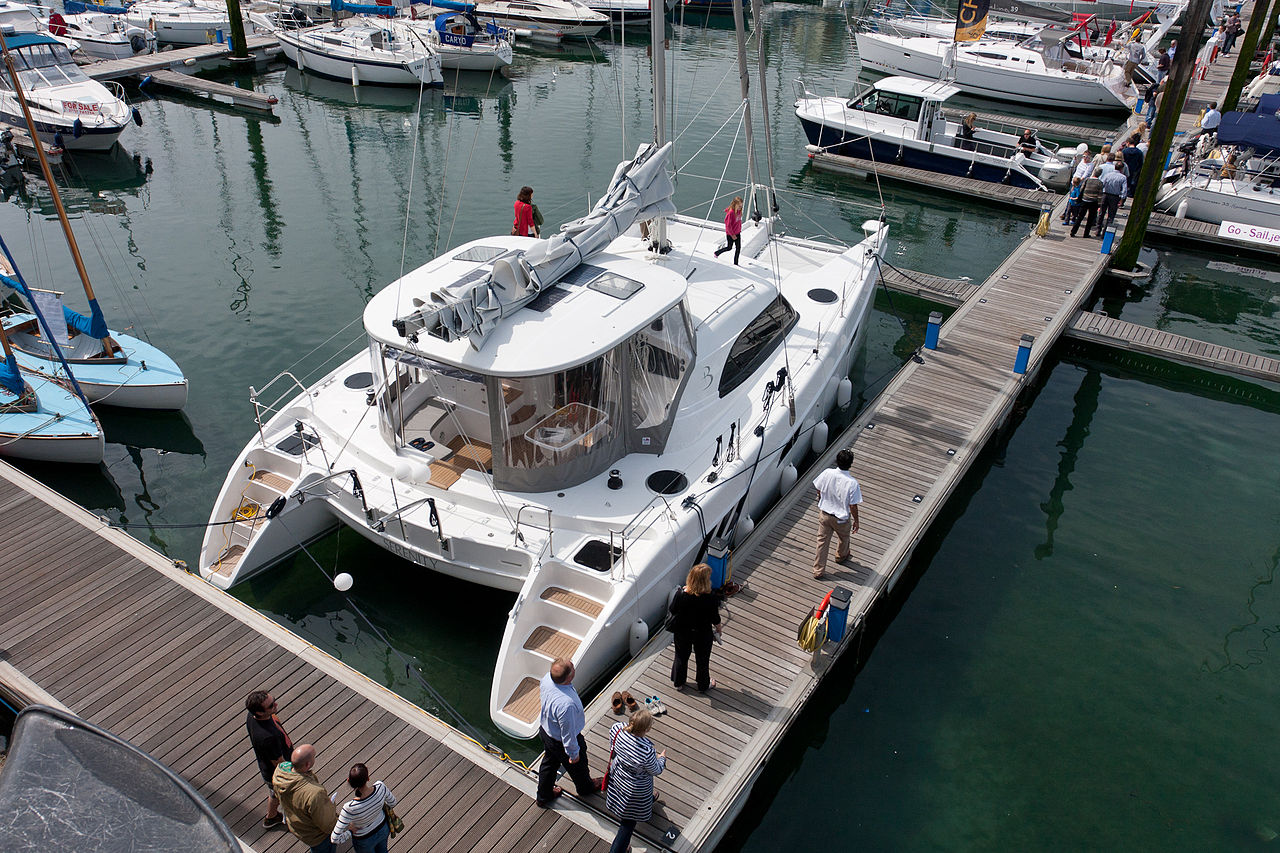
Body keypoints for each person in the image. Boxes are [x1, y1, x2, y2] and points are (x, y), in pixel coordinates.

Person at [536, 658, 598, 807]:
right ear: (569, 677)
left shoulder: (547, 679)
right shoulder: (566, 705)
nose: (573, 664)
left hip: (547, 730)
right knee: (579, 767)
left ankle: (543, 796)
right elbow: (568, 734)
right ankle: (586, 788)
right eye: (572, 667)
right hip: (560, 740)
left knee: (549, 764)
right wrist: (573, 754)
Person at [604, 709, 666, 853]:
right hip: (635, 789)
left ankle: (648, 800)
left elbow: (613, 747)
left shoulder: (617, 729)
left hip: (619, 776)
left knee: (622, 799)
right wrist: (662, 758)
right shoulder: (646, 750)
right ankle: (618, 850)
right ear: (647, 729)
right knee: (628, 823)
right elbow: (655, 770)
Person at [274, 744, 338, 853]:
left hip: (298, 827)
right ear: (308, 764)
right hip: (318, 837)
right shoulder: (314, 793)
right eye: (314, 756)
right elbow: (327, 824)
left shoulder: (280, 773)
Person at [668, 562, 722, 693]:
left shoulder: (681, 594)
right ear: (705, 581)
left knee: (681, 656)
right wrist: (719, 629)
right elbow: (715, 617)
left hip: (683, 631)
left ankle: (679, 682)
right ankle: (703, 685)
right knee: (702, 660)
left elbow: (672, 609)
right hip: (702, 633)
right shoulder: (711, 597)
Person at [811, 448, 862, 579]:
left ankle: (818, 570)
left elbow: (818, 487)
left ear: (837, 461)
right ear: (851, 464)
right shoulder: (852, 483)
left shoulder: (827, 473)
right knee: (844, 538)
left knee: (822, 542)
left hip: (825, 514)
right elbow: (853, 505)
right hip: (841, 519)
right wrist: (856, 520)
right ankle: (841, 556)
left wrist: (820, 498)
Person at [245, 689, 291, 828]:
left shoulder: (252, 716)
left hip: (269, 766)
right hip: (274, 772)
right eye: (271, 706)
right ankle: (274, 818)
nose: (275, 705)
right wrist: (297, 775)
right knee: (281, 794)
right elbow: (279, 764)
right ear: (259, 712)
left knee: (274, 793)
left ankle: (271, 817)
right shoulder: (267, 738)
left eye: (274, 700)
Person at [332, 763, 398, 853]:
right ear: (368, 778)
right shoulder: (380, 787)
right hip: (383, 828)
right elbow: (393, 802)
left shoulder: (349, 808)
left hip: (364, 839)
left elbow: (335, 839)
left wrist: (350, 832)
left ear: (349, 781)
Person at [1070, 168, 1105, 238]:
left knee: (1080, 217)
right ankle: (1086, 234)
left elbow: (1081, 189)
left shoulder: (1087, 180)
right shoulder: (1100, 183)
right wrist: (1099, 205)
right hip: (1093, 202)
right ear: (1100, 174)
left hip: (1084, 200)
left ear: (1094, 172)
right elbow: (1100, 195)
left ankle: (1073, 231)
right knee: (1090, 219)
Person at [713, 196, 743, 265]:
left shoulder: (739, 211)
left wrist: (739, 230)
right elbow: (728, 225)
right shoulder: (730, 213)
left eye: (741, 206)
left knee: (738, 248)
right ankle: (717, 253)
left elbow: (738, 222)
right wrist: (732, 235)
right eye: (739, 206)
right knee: (729, 247)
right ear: (734, 204)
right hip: (731, 234)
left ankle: (736, 263)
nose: (740, 208)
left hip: (737, 233)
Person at [1099, 164, 1128, 233]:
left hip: (1105, 195)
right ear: (1121, 169)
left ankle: (1098, 228)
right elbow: (1124, 191)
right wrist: (1121, 200)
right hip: (1115, 197)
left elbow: (1102, 184)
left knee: (1101, 213)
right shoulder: (1123, 177)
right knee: (1111, 215)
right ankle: (1105, 231)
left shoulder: (1108, 175)